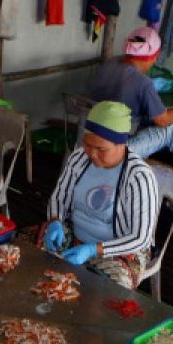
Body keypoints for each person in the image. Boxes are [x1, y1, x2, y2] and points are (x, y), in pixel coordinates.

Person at [44, 102, 160, 290]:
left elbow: (141, 238)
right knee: (31, 254)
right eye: (88, 144)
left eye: (101, 149)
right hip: (75, 234)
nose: (92, 154)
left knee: (107, 291)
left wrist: (94, 249)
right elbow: (60, 197)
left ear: (121, 144)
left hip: (120, 250)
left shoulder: (139, 177)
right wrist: (55, 221)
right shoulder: (79, 158)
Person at [89, 26, 173, 189]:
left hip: (91, 140)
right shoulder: (142, 83)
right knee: (170, 131)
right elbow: (163, 121)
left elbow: (121, 92)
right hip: (117, 150)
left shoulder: (110, 64)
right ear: (153, 56)